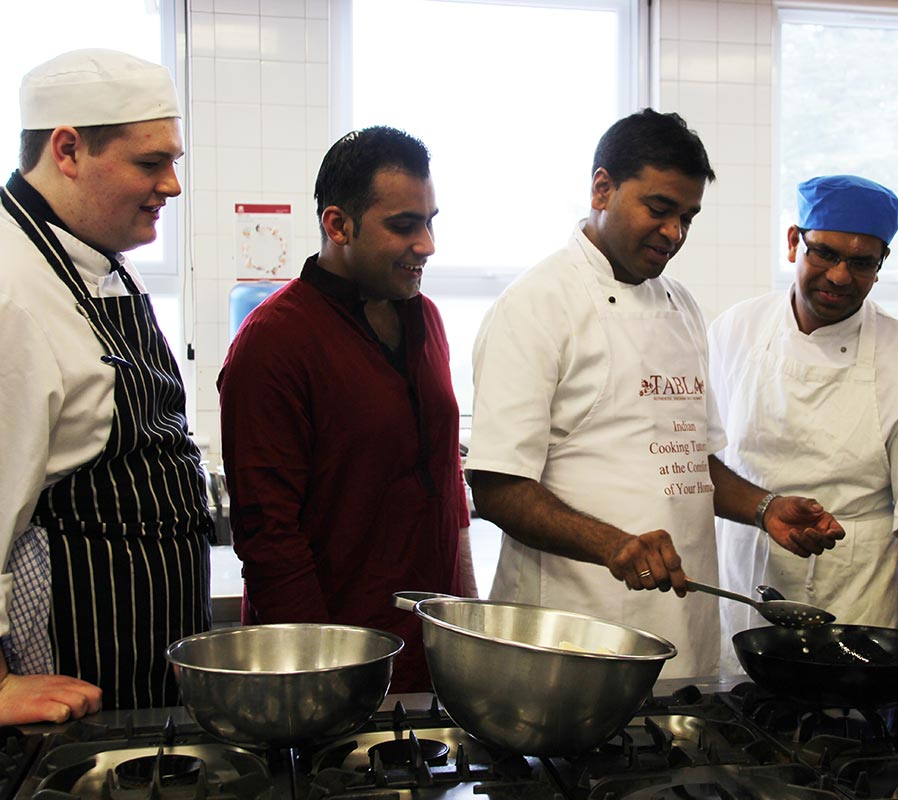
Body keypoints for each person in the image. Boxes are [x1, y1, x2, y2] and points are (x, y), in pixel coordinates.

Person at [467, 109, 844, 679]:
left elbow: (690, 460)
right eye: (659, 209)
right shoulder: (537, 305)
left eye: (688, 217)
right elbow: (497, 487)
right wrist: (612, 543)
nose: (675, 233)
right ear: (603, 188)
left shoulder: (682, 307)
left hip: (683, 629)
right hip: (572, 637)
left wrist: (765, 509)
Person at [218, 126, 475, 693]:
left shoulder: (425, 318)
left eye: (431, 221)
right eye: (404, 226)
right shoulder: (275, 342)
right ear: (338, 225)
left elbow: (444, 481)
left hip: (427, 651)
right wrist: (327, 675)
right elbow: (269, 536)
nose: (427, 244)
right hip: (328, 664)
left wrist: (465, 613)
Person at [0, 48, 212, 722]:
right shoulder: (11, 290)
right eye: (151, 163)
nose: (172, 185)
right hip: (78, 666)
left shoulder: (97, 260)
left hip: (139, 659)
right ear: (67, 150)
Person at [708, 175, 898, 657]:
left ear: (881, 266)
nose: (840, 276)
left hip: (857, 600)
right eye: (825, 253)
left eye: (862, 262)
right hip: (743, 578)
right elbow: (698, 459)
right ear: (794, 242)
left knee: (845, 726)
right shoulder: (734, 330)